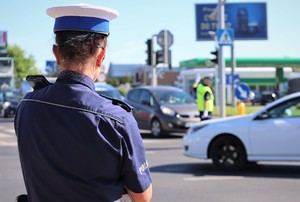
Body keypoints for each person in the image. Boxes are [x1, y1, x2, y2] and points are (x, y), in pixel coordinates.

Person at [14, 4, 152, 202]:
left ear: (56, 53)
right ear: (101, 56)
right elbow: (143, 196)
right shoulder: (118, 119)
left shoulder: (27, 106)